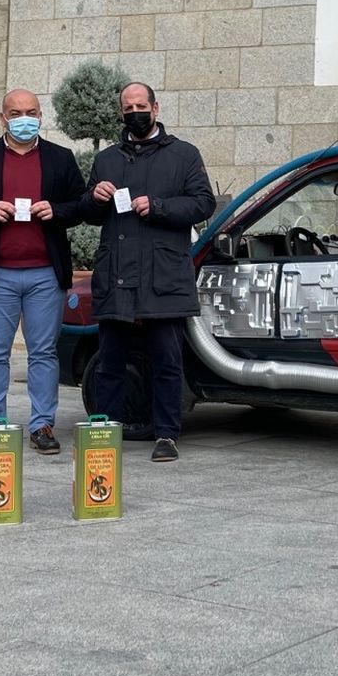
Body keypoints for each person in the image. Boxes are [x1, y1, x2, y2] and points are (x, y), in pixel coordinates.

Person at [82, 82, 215, 462]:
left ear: (155, 109)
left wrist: (157, 206)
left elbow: (202, 203)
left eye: (141, 105)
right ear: (121, 113)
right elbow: (89, 215)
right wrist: (94, 197)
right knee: (110, 360)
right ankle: (101, 428)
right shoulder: (106, 159)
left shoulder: (184, 154)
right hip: (117, 273)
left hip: (163, 274)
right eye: (128, 107)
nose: (135, 112)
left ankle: (167, 434)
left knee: (166, 359)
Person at [0, 89, 89, 455]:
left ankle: (42, 424)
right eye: (15, 112)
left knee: (43, 352)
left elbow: (81, 203)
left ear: (41, 116)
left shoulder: (60, 158)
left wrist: (56, 210)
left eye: (30, 112)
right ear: (2, 118)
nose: (23, 119)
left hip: (46, 272)